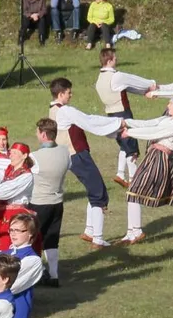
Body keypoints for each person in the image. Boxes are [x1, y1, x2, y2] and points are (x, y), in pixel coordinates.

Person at [48, 78, 125, 247]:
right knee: (98, 192)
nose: (71, 95)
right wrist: (118, 123)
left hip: (71, 155)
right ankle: (97, 237)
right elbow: (89, 121)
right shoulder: (65, 111)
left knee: (93, 189)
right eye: (68, 92)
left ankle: (90, 231)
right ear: (61, 94)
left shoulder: (53, 110)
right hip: (77, 155)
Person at [119, 97, 173, 244]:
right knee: (132, 193)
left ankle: (136, 231)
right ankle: (131, 232)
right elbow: (149, 123)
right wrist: (126, 122)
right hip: (153, 156)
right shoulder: (168, 120)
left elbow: (154, 132)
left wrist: (130, 133)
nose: (168, 105)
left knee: (133, 192)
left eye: (171, 103)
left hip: (160, 159)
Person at [96, 49, 157, 187]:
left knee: (123, 144)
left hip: (110, 113)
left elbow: (127, 88)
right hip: (123, 113)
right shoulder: (116, 76)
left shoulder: (100, 78)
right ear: (110, 60)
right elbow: (134, 80)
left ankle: (120, 174)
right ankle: (134, 179)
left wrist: (143, 93)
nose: (117, 60)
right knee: (131, 147)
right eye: (115, 58)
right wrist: (151, 84)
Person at [27, 119, 68, 285]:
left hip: (38, 201)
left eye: (38, 132)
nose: (36, 135)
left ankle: (34, 274)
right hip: (57, 201)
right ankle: (54, 274)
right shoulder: (65, 152)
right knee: (52, 239)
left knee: (33, 238)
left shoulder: (35, 157)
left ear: (43, 134)